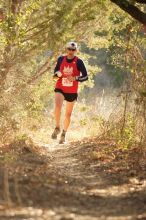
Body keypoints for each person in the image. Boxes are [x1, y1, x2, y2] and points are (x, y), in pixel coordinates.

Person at [51, 41, 88, 144]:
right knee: (57, 107)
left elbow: (85, 76)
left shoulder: (79, 62)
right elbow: (54, 77)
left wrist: (75, 78)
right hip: (60, 87)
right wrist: (57, 75)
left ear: (76, 50)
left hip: (72, 91)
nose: (71, 51)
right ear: (66, 49)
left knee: (68, 114)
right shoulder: (61, 59)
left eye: (73, 50)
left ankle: (64, 133)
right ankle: (57, 127)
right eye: (69, 49)